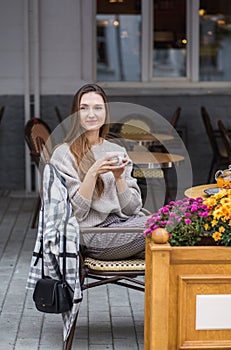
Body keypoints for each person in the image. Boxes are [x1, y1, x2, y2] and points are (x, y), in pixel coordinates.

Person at [50, 83, 149, 260]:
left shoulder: (117, 150)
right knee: (166, 223)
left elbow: (133, 209)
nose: (91, 114)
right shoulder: (64, 154)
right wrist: (93, 173)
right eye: (84, 108)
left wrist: (119, 179)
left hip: (125, 226)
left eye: (98, 108)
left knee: (169, 237)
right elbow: (75, 214)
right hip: (93, 236)